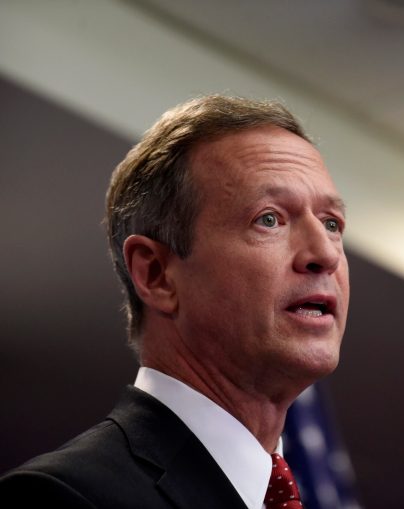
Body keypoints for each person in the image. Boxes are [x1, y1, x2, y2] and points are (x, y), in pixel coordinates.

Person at [0, 95, 350, 508]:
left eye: (331, 224)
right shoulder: (61, 497)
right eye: (269, 219)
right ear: (157, 275)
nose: (324, 254)